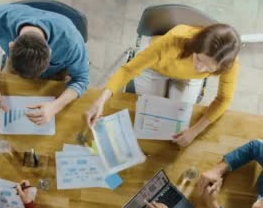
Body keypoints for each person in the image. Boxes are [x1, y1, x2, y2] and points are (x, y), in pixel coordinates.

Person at [85, 23, 241, 147]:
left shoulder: (229, 64)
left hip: (188, 78)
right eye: (199, 59)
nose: (200, 68)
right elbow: (129, 69)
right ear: (196, 46)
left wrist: (195, 131)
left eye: (209, 68)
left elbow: (224, 98)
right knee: (151, 117)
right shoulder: (174, 39)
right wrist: (101, 100)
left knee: (175, 122)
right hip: (154, 68)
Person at [0, 3, 89, 124]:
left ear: (50, 51)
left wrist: (55, 106)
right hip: (18, 66)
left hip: (56, 71)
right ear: (11, 46)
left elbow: (82, 79)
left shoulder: (71, 42)